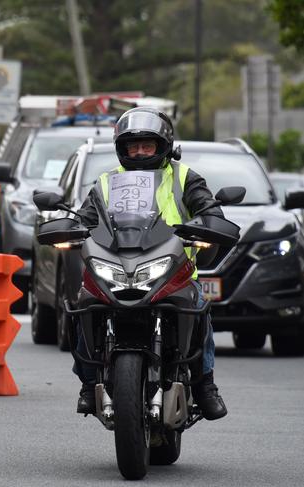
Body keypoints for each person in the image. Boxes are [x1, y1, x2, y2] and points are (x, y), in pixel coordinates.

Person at [74, 107, 227, 421]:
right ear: (122, 149)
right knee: (85, 302)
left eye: (148, 145)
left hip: (174, 269)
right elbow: (84, 220)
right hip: (117, 263)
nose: (140, 151)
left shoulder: (185, 177)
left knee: (199, 306)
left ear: (164, 147)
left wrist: (210, 221)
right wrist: (69, 227)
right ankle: (89, 383)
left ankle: (205, 385)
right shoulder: (106, 183)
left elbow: (208, 207)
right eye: (134, 146)